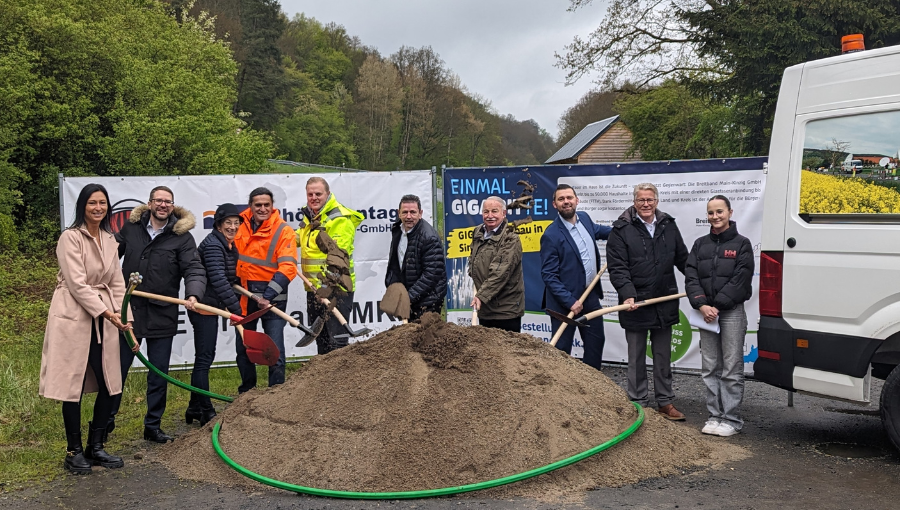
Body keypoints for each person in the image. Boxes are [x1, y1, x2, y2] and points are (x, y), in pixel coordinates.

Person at [40, 183, 133, 474]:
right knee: (73, 384)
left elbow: (117, 282)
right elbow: (78, 284)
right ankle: (73, 451)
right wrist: (106, 312)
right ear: (83, 206)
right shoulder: (69, 238)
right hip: (73, 314)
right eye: (92, 203)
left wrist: (122, 316)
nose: (98, 208)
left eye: (102, 203)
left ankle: (96, 446)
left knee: (109, 381)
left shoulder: (110, 239)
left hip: (104, 317)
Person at [110, 186, 206, 443]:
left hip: (162, 313)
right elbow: (108, 260)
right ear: (150, 203)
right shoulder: (131, 229)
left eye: (168, 202)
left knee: (158, 372)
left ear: (173, 206)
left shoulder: (182, 237)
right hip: (129, 312)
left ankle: (153, 426)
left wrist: (194, 294)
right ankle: (104, 424)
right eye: (158, 201)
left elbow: (194, 268)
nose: (163, 205)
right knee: (117, 370)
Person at [607, 183, 688, 420]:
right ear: (634, 202)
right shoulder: (621, 230)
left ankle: (665, 402)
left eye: (650, 200)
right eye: (641, 200)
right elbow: (618, 268)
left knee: (663, 355)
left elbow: (683, 259)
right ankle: (639, 402)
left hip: (664, 301)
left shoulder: (668, 226)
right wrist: (628, 293)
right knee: (636, 356)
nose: (646, 204)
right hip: (636, 303)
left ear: (656, 201)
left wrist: (699, 282)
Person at [685, 195, 754, 437]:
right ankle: (715, 416)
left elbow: (741, 279)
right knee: (710, 367)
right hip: (706, 314)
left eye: (719, 212)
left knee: (731, 367)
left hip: (731, 313)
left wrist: (717, 305)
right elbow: (691, 277)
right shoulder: (699, 244)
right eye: (711, 212)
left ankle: (732, 420)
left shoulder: (742, 244)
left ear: (730, 212)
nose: (715, 217)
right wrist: (702, 305)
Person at [540, 184, 611, 370]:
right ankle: (562, 393)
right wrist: (570, 301)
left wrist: (624, 228)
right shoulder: (551, 235)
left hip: (589, 296)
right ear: (554, 204)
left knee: (595, 344)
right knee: (562, 351)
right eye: (561, 199)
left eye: (569, 198)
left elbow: (599, 231)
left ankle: (592, 388)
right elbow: (549, 275)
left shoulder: (585, 219)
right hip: (565, 304)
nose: (566, 202)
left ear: (576, 200)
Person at [185, 203, 244, 426]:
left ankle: (193, 407)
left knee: (204, 356)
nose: (232, 227)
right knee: (204, 359)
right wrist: (237, 311)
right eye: (228, 223)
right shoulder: (212, 246)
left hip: (213, 305)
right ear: (218, 224)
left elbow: (227, 277)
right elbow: (218, 279)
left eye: (236, 223)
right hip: (203, 307)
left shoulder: (228, 245)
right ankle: (207, 411)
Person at [234, 187, 298, 391]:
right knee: (244, 348)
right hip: (244, 296)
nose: (262, 209)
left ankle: (276, 395)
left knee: (274, 350)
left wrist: (268, 295)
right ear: (250, 206)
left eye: (266, 205)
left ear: (272, 206)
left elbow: (288, 268)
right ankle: (247, 394)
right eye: (258, 205)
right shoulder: (239, 225)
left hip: (273, 299)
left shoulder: (283, 230)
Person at [296, 177, 364, 354]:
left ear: (328, 194)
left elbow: (337, 259)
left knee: (337, 345)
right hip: (314, 289)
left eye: (318, 194)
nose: (314, 197)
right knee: (322, 342)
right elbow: (298, 239)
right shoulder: (311, 217)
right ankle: (324, 383)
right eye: (310, 194)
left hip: (336, 289)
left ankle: (343, 382)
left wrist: (325, 288)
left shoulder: (339, 219)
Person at [385, 194, 446, 321]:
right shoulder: (398, 231)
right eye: (405, 212)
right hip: (410, 299)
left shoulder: (429, 237)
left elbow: (431, 275)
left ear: (420, 213)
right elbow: (396, 265)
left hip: (428, 303)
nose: (408, 216)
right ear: (399, 213)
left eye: (413, 212)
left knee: (425, 339)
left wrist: (408, 298)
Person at [468, 196, 524, 332]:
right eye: (486, 212)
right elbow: (473, 260)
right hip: (485, 308)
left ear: (503, 213)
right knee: (487, 352)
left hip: (505, 311)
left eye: (494, 211)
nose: (490, 216)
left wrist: (481, 295)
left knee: (506, 352)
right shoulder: (478, 232)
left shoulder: (510, 238)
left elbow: (500, 273)